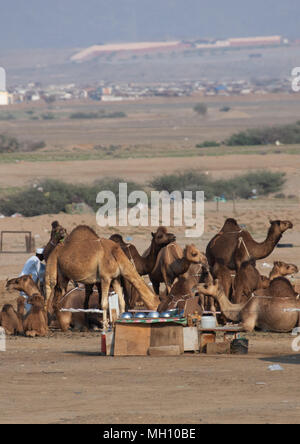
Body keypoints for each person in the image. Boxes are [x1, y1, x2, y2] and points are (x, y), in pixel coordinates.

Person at [19, 248, 46, 312]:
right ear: (40, 255)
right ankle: (30, 314)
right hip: (25, 283)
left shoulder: (33, 258)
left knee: (27, 298)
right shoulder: (36, 260)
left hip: (23, 282)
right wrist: (42, 281)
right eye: (43, 256)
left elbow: (42, 267)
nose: (44, 258)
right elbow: (39, 272)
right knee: (27, 299)